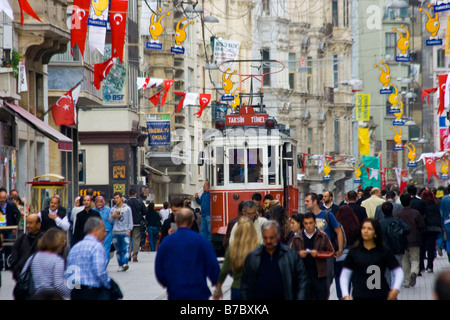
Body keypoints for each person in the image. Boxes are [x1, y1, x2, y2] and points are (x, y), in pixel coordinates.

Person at [154, 208, 220, 300]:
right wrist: (217, 284)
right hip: (198, 292)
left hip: (175, 292)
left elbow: (159, 268)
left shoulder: (167, 242)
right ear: (192, 222)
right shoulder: (201, 241)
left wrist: (168, 283)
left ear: (176, 221)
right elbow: (213, 265)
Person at [240, 220, 308, 300]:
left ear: (278, 236)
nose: (268, 241)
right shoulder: (253, 257)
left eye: (271, 238)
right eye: (265, 238)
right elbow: (245, 285)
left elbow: (302, 281)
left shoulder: (291, 256)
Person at [339, 218, 404, 300]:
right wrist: (346, 295)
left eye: (369, 229)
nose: (365, 231)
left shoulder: (384, 251)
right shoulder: (354, 252)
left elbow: (398, 271)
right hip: (360, 295)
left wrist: (395, 290)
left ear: (375, 233)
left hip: (381, 295)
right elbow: (345, 274)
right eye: (363, 228)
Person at [304, 192, 344, 292]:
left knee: (326, 282)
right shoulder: (306, 217)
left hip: (326, 254)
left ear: (315, 202)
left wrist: (339, 249)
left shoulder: (327, 215)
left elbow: (338, 231)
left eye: (307, 201)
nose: (305, 203)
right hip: (311, 255)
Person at [213, 216, 259, 300]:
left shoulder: (233, 248)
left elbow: (224, 271)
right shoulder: (259, 248)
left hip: (237, 288)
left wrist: (218, 288)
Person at [65, 217, 112, 300]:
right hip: (91, 292)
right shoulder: (97, 247)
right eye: (103, 230)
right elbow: (99, 272)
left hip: (75, 292)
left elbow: (69, 272)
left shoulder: (75, 248)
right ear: (96, 230)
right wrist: (110, 285)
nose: (105, 234)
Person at [291, 212, 335, 300]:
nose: (308, 226)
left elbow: (331, 252)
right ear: (303, 224)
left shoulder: (323, 236)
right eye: (306, 223)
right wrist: (298, 254)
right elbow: (289, 254)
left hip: (319, 276)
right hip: (303, 275)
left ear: (315, 223)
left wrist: (318, 254)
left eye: (310, 223)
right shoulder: (297, 238)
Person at [20, 228, 70, 299]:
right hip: (50, 296)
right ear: (59, 243)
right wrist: (71, 293)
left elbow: (23, 275)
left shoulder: (33, 257)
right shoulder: (57, 260)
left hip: (35, 295)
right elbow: (58, 285)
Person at [396, 194, 425, 288]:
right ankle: (414, 272)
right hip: (415, 240)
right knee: (415, 259)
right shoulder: (416, 213)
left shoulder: (398, 214)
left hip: (402, 241)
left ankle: (406, 281)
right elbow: (422, 226)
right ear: (410, 202)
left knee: (404, 262)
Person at [379, 201, 410, 287]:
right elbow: (408, 229)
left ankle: (388, 287)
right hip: (397, 249)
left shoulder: (379, 223)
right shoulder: (397, 221)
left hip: (384, 250)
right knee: (397, 269)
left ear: (382, 211)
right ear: (392, 211)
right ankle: (395, 287)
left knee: (386, 271)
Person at [333, 204, 361, 300]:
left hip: (340, 254)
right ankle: (350, 294)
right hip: (352, 254)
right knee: (352, 275)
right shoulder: (356, 225)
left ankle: (341, 295)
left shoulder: (336, 225)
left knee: (338, 275)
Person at [9, 214, 43, 281]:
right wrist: (18, 275)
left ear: (39, 224)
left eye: (30, 223)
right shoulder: (21, 239)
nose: (27, 225)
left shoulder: (44, 240)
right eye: (27, 223)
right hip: (22, 279)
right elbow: (14, 259)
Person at [419, 189, 443, 273]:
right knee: (431, 248)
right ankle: (430, 266)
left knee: (422, 248)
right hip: (434, 229)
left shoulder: (421, 204)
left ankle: (421, 266)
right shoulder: (435, 204)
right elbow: (438, 216)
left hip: (424, 228)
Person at [109, 192, 133, 272]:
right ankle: (120, 265)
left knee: (125, 248)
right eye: (115, 198)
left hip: (125, 231)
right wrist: (113, 216)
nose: (116, 200)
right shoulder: (113, 209)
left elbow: (130, 220)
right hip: (116, 232)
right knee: (118, 250)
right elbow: (110, 220)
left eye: (117, 198)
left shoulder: (127, 208)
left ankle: (125, 263)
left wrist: (129, 229)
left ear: (121, 198)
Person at [126, 189, 147, 263]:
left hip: (127, 223)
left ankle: (128, 255)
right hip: (137, 223)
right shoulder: (139, 202)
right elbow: (145, 211)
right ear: (135, 194)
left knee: (128, 239)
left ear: (129, 195)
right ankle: (134, 256)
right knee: (136, 239)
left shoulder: (126, 202)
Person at [92, 196, 113, 263]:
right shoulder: (93, 211)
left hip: (107, 232)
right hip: (96, 233)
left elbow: (112, 221)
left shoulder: (108, 210)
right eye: (97, 202)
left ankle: (105, 263)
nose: (99, 204)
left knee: (106, 249)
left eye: (101, 202)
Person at [440, 185, 450, 263]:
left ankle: (449, 251)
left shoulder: (444, 199)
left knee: (448, 239)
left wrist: (442, 223)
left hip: (447, 221)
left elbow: (441, 211)